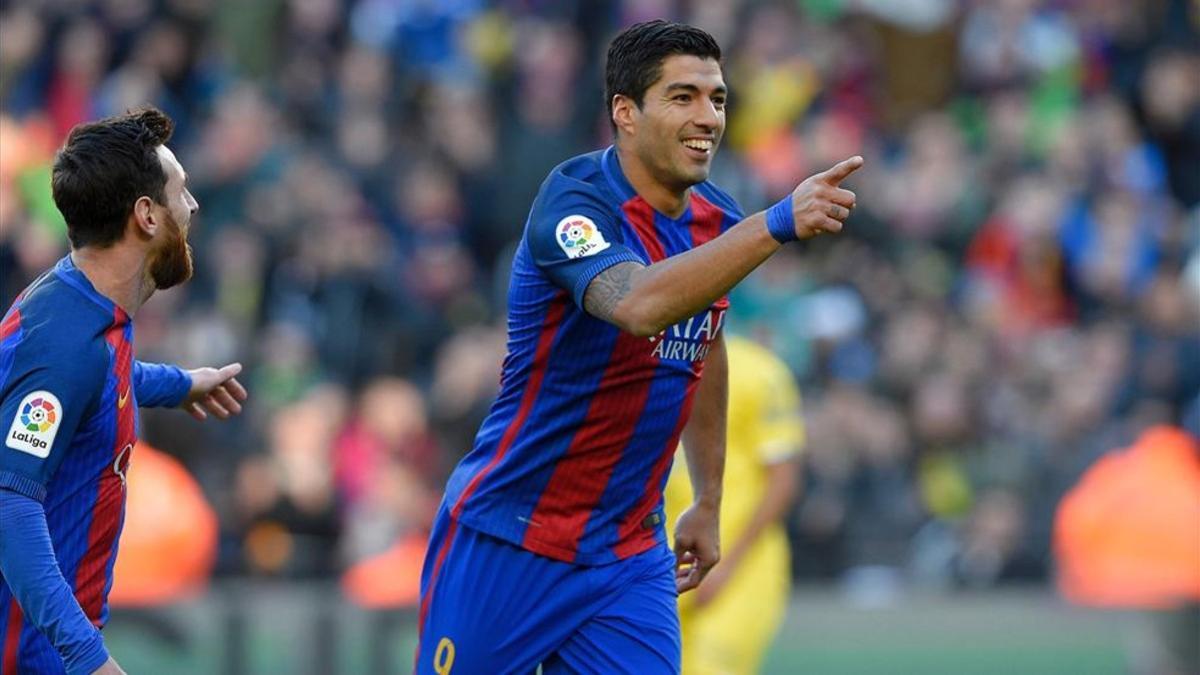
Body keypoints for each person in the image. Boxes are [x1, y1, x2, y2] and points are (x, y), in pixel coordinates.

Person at [416, 19, 861, 673]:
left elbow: (704, 345)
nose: (708, 116)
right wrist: (776, 223)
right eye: (683, 97)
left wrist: (708, 500)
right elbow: (637, 303)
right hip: (510, 535)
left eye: (717, 99)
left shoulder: (716, 219)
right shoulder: (573, 205)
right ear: (626, 112)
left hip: (627, 554)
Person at [0, 107, 247, 675]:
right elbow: (11, 503)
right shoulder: (63, 342)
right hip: (31, 657)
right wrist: (86, 657)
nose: (193, 208)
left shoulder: (79, 308)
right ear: (147, 216)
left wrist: (180, 384)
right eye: (181, 193)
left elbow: (97, 379)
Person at [663, 335, 804, 675]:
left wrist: (728, 566)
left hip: (737, 567)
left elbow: (783, 479)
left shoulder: (759, 371)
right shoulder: (647, 361)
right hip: (660, 565)